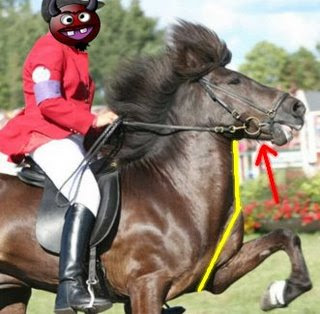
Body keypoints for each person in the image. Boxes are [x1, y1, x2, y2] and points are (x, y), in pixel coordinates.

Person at [0, 0, 117, 312]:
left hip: (69, 136)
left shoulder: (75, 52)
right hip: (44, 136)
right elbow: (48, 103)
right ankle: (69, 288)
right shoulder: (49, 49)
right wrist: (92, 120)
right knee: (87, 193)